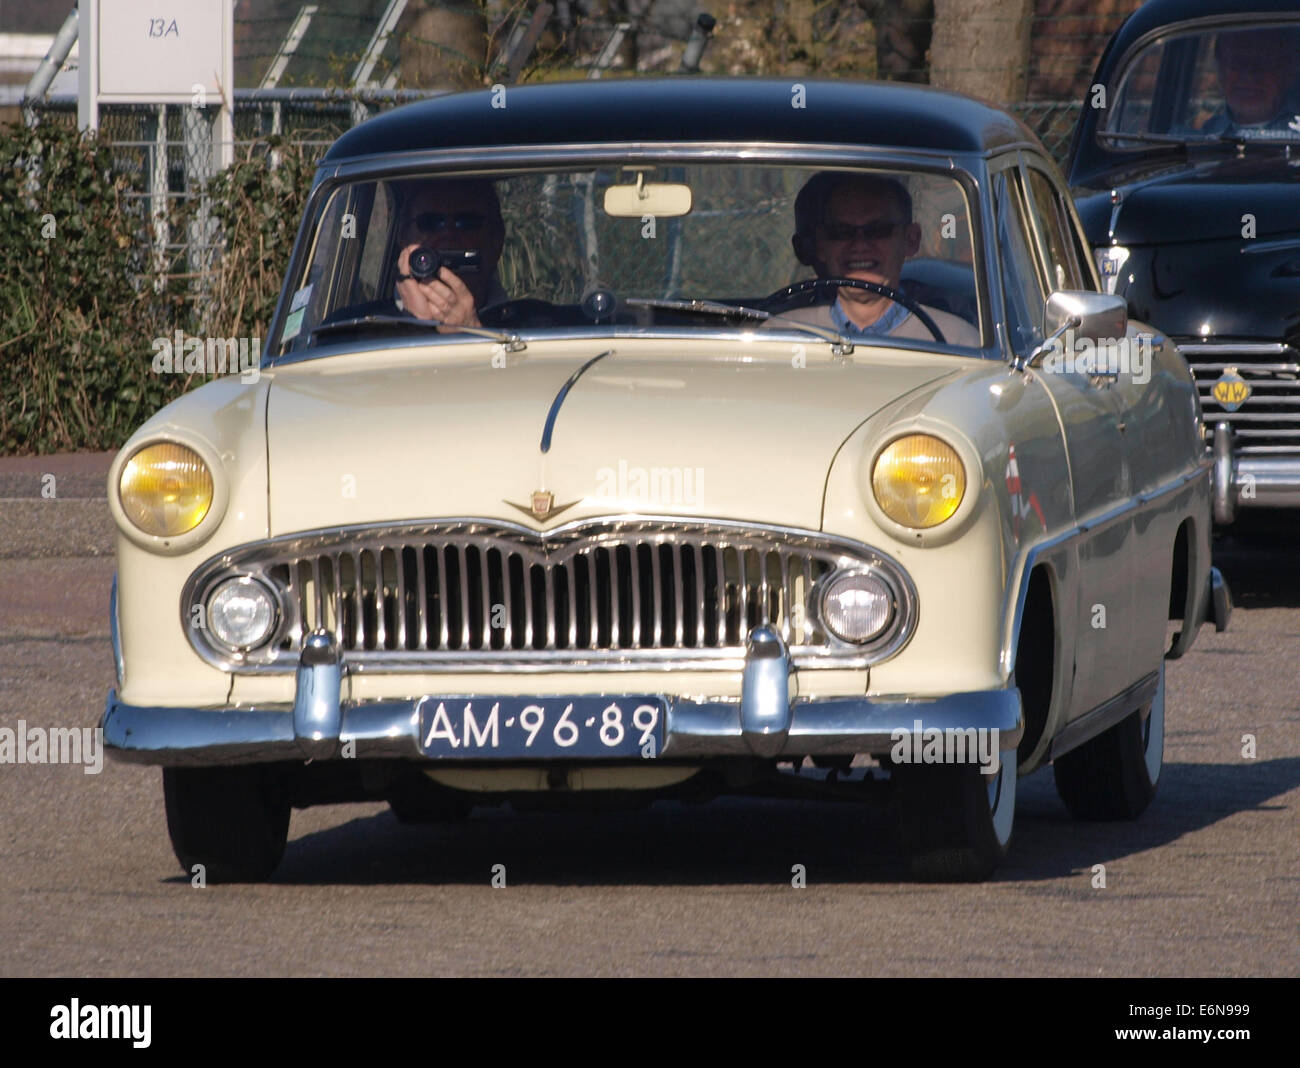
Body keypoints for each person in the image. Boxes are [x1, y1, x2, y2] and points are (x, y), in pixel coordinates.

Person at [779, 172, 980, 347]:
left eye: (878, 231)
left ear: (910, 240)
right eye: (841, 232)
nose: (859, 245)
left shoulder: (956, 340)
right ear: (821, 245)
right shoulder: (781, 334)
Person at [393, 178, 508, 331]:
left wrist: (471, 331)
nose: (448, 234)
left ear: (496, 240)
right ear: (403, 237)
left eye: (467, 223)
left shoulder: (538, 329)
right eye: (430, 223)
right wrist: (416, 326)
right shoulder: (362, 330)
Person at [1201, 27, 1300, 137]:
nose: (1248, 76)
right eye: (1236, 62)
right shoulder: (1201, 136)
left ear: (1288, 71)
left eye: (1262, 63)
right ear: (1220, 70)